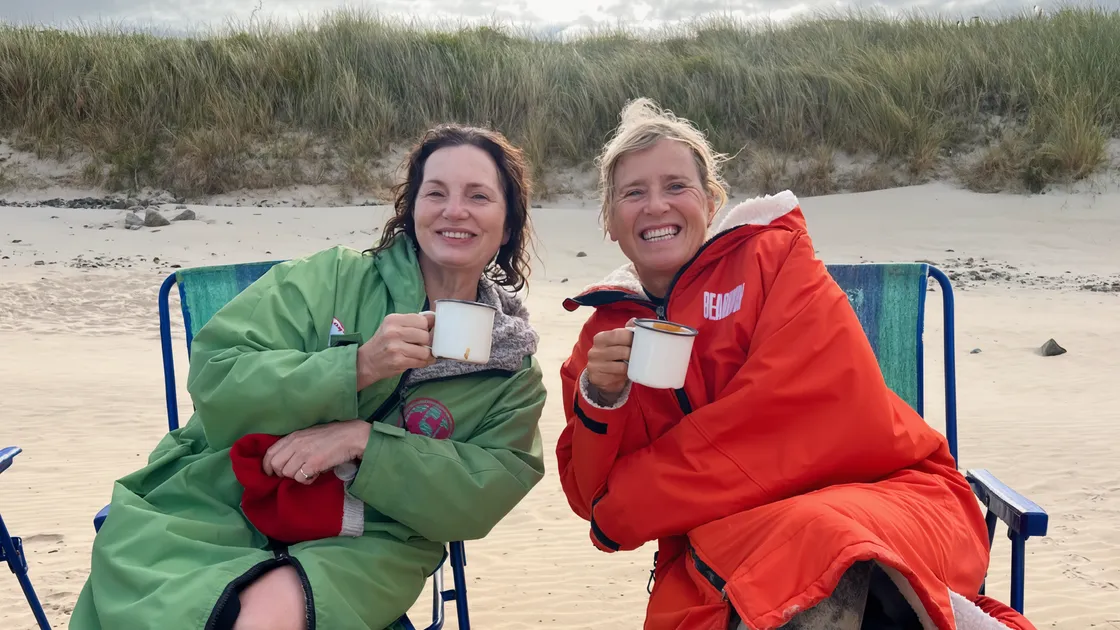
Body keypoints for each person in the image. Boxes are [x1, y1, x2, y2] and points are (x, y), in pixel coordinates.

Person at [555, 98, 1037, 630]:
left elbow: (809, 413)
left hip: (892, 497)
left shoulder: (776, 258)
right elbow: (589, 497)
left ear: (711, 201)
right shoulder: (602, 336)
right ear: (609, 220)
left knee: (819, 537)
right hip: (723, 551)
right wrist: (601, 399)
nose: (655, 205)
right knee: (792, 554)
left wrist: (624, 505)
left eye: (676, 186)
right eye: (633, 193)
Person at [70, 124, 547, 630]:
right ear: (413, 209)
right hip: (225, 493)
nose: (454, 210)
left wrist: (364, 443)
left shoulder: (511, 370)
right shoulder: (331, 279)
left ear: (508, 223)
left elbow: (487, 489)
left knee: (262, 619)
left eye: (478, 196)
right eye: (436, 193)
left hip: (373, 535)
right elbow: (217, 373)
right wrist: (357, 366)